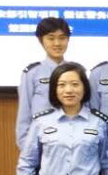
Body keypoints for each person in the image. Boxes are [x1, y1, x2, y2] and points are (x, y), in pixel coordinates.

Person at [17, 62, 108, 175]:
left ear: (85, 88)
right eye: (62, 85)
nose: (69, 90)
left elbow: (107, 164)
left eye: (75, 84)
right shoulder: (41, 122)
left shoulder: (98, 122)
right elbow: (27, 162)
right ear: (54, 90)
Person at [16, 17, 70, 147]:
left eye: (62, 38)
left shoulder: (76, 72)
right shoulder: (32, 73)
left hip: (71, 140)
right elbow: (24, 111)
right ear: (41, 41)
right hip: (41, 141)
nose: (57, 43)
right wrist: (25, 147)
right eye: (51, 38)